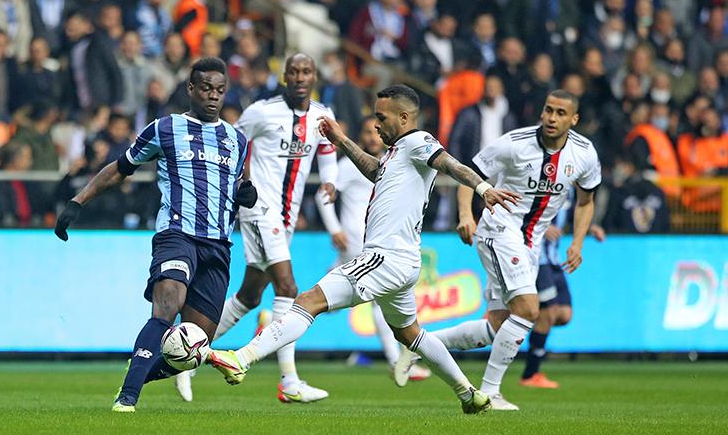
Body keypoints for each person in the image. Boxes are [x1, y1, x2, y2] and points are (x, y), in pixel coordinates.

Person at [206, 84, 521, 414]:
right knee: (410, 334)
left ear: (404, 117)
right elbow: (376, 171)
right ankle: (469, 393)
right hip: (403, 262)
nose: (375, 124)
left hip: (384, 257)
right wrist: (342, 141)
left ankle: (241, 359)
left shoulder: (418, 141)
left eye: (381, 117)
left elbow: (451, 165)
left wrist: (483, 188)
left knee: (307, 301)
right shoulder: (397, 153)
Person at [52, 57, 257, 413]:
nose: (213, 96)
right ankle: (127, 398)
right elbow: (121, 168)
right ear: (191, 89)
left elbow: (242, 183)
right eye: (206, 88)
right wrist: (78, 201)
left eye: (220, 91)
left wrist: (246, 191)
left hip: (219, 245)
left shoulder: (236, 140)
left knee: (194, 346)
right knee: (166, 307)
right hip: (176, 234)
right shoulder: (164, 128)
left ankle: (136, 374)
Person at [397, 90, 601, 411]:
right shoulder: (515, 143)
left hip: (531, 243)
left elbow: (587, 200)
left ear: (573, 119)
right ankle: (490, 392)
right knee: (529, 310)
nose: (551, 118)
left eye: (560, 113)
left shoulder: (584, 154)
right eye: (548, 110)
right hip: (498, 230)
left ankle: (418, 345)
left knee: (498, 325)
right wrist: (466, 214)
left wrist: (577, 241)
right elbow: (469, 174)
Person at [175, 53, 338, 404]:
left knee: (249, 296)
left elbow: (327, 150)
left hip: (287, 214)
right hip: (259, 208)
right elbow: (231, 142)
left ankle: (186, 356)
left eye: (306, 71)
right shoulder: (262, 112)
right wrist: (238, 186)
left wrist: (330, 182)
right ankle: (289, 380)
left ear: (314, 76)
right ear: (283, 76)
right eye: (293, 71)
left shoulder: (323, 115)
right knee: (288, 285)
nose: (299, 76)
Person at [316, 115, 431, 381]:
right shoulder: (350, 165)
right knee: (381, 304)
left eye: (374, 132)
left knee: (322, 297)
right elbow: (321, 193)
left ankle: (278, 315)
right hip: (359, 244)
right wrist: (334, 228)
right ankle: (397, 363)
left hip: (374, 242)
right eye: (366, 132)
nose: (371, 137)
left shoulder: (392, 164)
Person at [520, 194, 605, 389]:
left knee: (564, 314)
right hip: (536, 258)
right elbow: (518, 208)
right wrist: (541, 226)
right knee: (548, 312)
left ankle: (516, 317)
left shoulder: (570, 187)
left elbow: (574, 210)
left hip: (553, 260)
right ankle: (530, 374)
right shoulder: (541, 175)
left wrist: (589, 227)